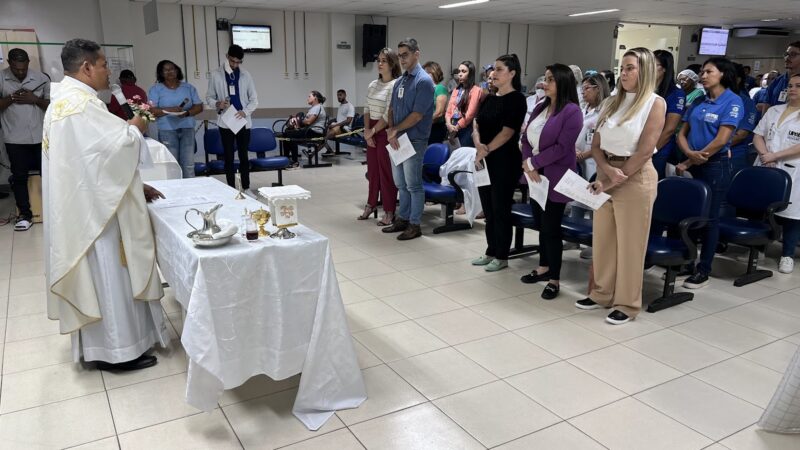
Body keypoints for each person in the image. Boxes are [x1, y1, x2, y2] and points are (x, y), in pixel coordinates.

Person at [43, 38, 168, 371]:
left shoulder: (62, 102)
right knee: (109, 277)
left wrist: (135, 184)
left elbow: (92, 161)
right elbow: (117, 146)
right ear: (86, 67)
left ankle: (104, 347)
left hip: (85, 206)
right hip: (98, 216)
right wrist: (138, 127)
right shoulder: (81, 105)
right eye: (103, 65)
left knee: (101, 279)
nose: (108, 72)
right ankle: (118, 352)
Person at [576, 47, 666, 325]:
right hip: (607, 173)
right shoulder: (611, 102)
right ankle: (601, 293)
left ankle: (627, 304)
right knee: (603, 240)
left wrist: (618, 176)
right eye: (622, 68)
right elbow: (596, 145)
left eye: (630, 68)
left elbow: (645, 150)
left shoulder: (654, 103)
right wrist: (606, 174)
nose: (623, 73)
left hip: (635, 177)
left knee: (630, 246)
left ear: (645, 71)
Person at [675, 57, 743, 289]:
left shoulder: (732, 102)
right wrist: (688, 155)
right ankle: (687, 262)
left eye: (708, 72)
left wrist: (690, 160)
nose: (703, 76)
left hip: (715, 165)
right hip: (693, 162)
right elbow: (681, 133)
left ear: (722, 74)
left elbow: (721, 140)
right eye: (702, 72)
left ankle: (703, 269)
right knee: (691, 214)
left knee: (709, 219)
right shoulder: (699, 100)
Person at [518, 63, 582, 299]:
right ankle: (544, 267)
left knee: (551, 228)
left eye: (550, 79)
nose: (545, 83)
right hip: (535, 176)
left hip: (555, 177)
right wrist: (528, 163)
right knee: (540, 224)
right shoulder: (540, 106)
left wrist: (533, 163)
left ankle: (554, 278)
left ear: (563, 82)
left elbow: (562, 147)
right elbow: (526, 139)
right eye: (545, 78)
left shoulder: (572, 111)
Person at [469, 54, 527, 272]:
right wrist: (478, 144)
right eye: (494, 69)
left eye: (500, 69)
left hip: (504, 161)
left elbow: (507, 132)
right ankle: (490, 250)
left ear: (512, 73)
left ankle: (502, 255)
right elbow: (476, 124)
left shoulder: (517, 99)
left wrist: (486, 149)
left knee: (500, 208)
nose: (494, 73)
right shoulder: (489, 98)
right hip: (484, 159)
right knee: (488, 209)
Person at [382, 37, 434, 241]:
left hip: (414, 140)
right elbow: (392, 108)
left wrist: (395, 130)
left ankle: (415, 224)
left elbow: (417, 115)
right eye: (399, 56)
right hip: (397, 139)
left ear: (416, 54)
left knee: (413, 185)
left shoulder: (424, 81)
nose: (402, 59)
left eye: (405, 55)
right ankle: (402, 219)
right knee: (401, 184)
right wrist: (391, 131)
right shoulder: (401, 81)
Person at [753, 73, 800, 274]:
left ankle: (787, 255)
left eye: (798, 86)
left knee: (792, 214)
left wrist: (775, 156)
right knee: (764, 210)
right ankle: (759, 248)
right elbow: (758, 135)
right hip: (767, 165)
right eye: (790, 85)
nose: (792, 89)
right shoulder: (774, 110)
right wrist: (766, 155)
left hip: (793, 169)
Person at [0, 48, 50, 231]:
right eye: (16, 69)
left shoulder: (41, 78)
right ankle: (25, 215)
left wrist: (34, 99)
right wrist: (12, 98)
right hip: (14, 138)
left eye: (24, 68)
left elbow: (52, 106)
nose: (21, 72)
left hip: (40, 138)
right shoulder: (1, 78)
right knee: (19, 178)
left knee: (49, 175)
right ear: (9, 63)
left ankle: (53, 212)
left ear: (28, 62)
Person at [207, 44, 258, 189]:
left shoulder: (246, 75)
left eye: (238, 62)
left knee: (244, 156)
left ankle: (246, 188)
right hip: (226, 121)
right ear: (227, 56)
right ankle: (230, 188)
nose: (235, 65)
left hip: (242, 121)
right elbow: (209, 97)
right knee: (228, 157)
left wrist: (245, 112)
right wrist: (218, 104)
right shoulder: (215, 74)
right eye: (232, 61)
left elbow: (254, 100)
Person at [361, 47, 401, 225]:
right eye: (379, 60)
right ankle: (370, 204)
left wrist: (373, 131)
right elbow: (366, 109)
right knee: (373, 171)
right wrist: (366, 131)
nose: (380, 63)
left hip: (384, 131)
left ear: (392, 64)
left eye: (384, 60)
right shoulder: (372, 84)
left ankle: (389, 210)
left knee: (386, 173)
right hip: (371, 130)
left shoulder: (395, 85)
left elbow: (387, 114)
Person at [148, 60, 203, 178]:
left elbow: (199, 106)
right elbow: (151, 110)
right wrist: (170, 110)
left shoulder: (188, 87)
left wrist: (187, 113)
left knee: (188, 165)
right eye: (166, 70)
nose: (170, 72)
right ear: (161, 73)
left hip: (187, 128)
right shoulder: (156, 89)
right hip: (167, 131)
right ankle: (175, 188)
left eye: (172, 69)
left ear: (177, 70)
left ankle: (190, 189)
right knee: (172, 165)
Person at [652, 50, 686, 179]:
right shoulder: (646, 90)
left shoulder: (676, 93)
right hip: (641, 145)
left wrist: (651, 151)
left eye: (654, 65)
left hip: (659, 149)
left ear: (665, 68)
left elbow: (669, 129)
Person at [283, 91, 327, 168]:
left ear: (315, 98)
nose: (308, 98)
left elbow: (309, 121)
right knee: (286, 133)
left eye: (309, 96)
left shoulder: (318, 107)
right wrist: (296, 122)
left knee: (290, 135)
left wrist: (299, 120)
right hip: (309, 130)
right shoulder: (313, 108)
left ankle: (295, 162)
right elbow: (305, 122)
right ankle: (285, 160)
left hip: (315, 132)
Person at [729, 63, 759, 177]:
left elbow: (741, 135)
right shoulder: (705, 99)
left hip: (732, 154)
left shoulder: (745, 102)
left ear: (737, 80)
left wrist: (710, 149)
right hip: (699, 154)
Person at [445, 60, 482, 148]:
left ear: (470, 74)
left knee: (463, 153)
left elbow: (470, 114)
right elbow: (449, 110)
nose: (460, 74)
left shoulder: (476, 90)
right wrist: (448, 124)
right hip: (452, 125)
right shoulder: (456, 89)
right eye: (459, 71)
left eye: (463, 71)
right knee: (452, 153)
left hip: (465, 127)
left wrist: (456, 128)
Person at [757, 41, 800, 114]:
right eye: (786, 54)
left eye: (793, 54)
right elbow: (767, 105)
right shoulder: (777, 81)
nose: (787, 58)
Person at [423, 61, 449, 145]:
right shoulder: (425, 90)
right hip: (425, 128)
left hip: (435, 128)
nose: (424, 75)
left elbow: (439, 113)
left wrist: (424, 122)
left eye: (428, 73)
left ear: (435, 73)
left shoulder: (440, 88)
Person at [323, 89, 355, 155]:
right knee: (324, 131)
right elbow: (339, 119)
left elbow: (348, 121)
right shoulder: (340, 106)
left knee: (327, 135)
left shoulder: (350, 106)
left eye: (340, 95)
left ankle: (325, 149)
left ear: (345, 95)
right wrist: (329, 122)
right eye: (337, 95)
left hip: (345, 129)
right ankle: (329, 150)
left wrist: (335, 125)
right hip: (338, 127)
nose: (338, 97)